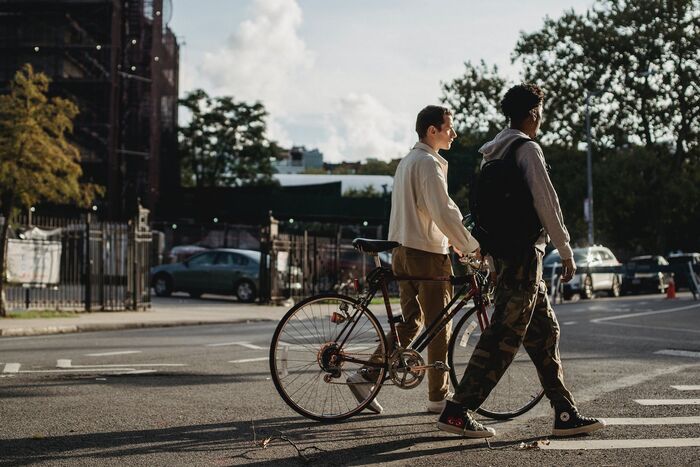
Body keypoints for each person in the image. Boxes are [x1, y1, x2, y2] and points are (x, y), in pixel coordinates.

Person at [437, 84, 606, 438]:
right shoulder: (526, 149)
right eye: (539, 112)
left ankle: (564, 411)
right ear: (532, 114)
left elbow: (485, 213)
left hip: (506, 255)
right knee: (503, 335)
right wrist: (565, 248)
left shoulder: (491, 153)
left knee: (545, 333)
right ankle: (458, 409)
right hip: (526, 256)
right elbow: (547, 202)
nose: (541, 119)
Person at [348, 105, 480, 414]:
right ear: (432, 130)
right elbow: (442, 210)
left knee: (411, 322)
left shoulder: (407, 161)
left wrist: (454, 242)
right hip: (426, 254)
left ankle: (366, 373)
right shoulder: (427, 163)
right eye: (449, 128)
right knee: (438, 326)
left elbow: (428, 212)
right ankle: (438, 397)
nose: (454, 133)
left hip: (402, 251)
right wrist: (469, 245)